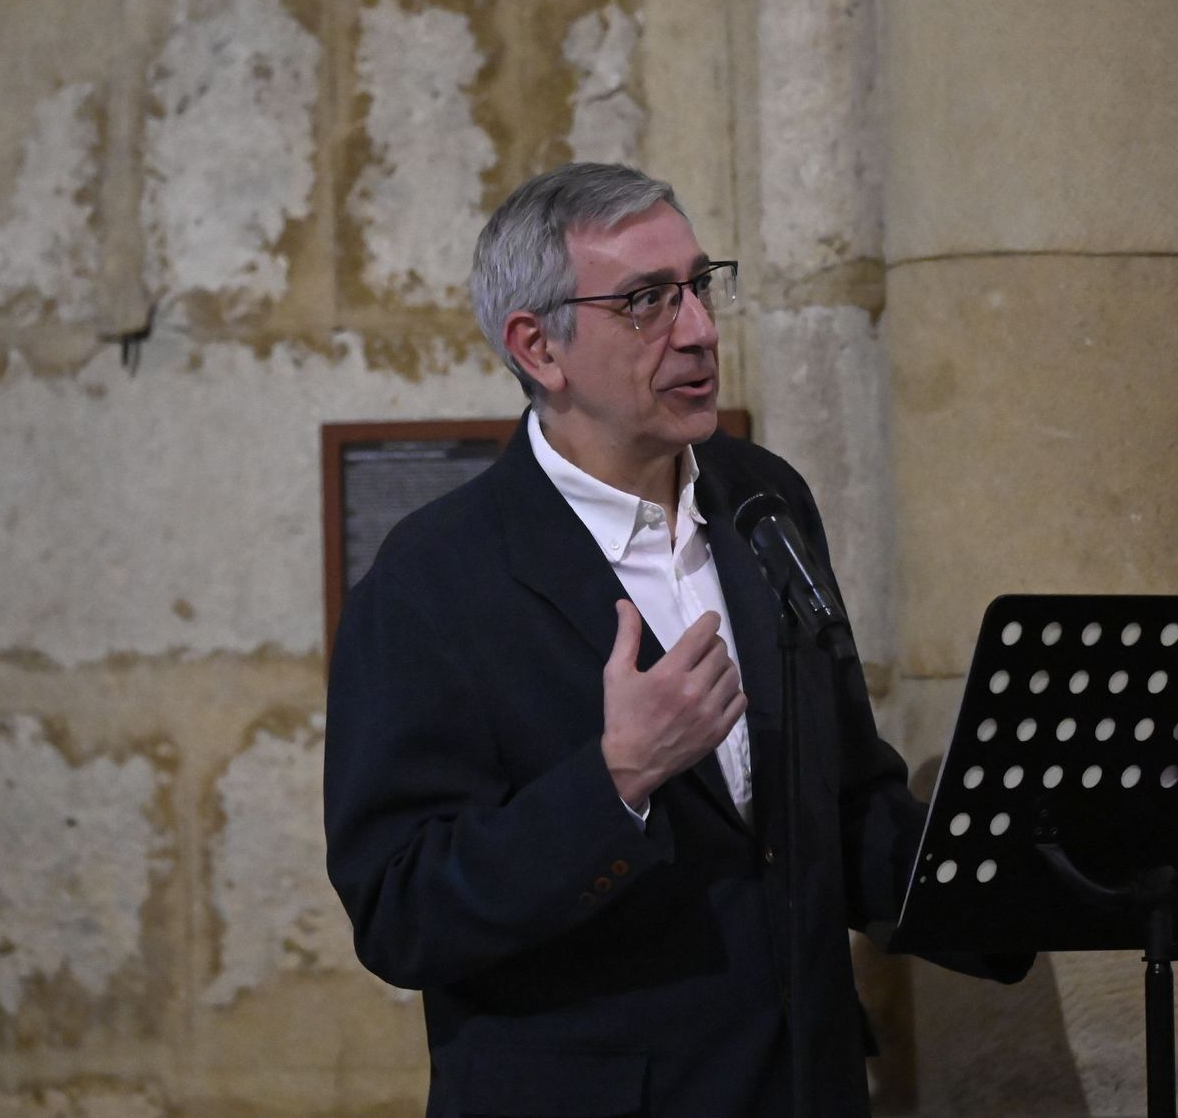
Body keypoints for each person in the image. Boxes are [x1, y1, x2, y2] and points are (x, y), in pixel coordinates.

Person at [324, 163, 1028, 1118]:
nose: (698, 328)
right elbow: (402, 910)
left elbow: (840, 797)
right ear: (539, 347)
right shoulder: (433, 580)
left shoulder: (761, 497)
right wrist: (615, 781)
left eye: (699, 286)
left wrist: (1015, 880)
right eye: (647, 302)